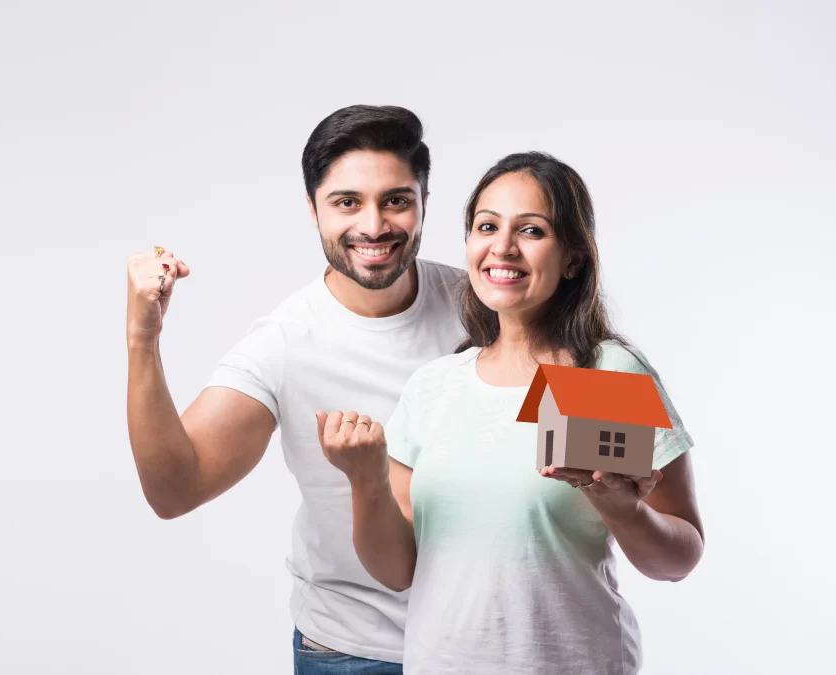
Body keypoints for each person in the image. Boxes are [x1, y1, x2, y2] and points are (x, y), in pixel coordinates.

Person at [318, 151, 706, 674]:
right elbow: (398, 570)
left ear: (573, 257)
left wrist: (622, 508)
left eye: (531, 230)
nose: (502, 247)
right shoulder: (436, 385)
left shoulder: (599, 374)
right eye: (486, 226)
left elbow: (677, 561)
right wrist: (366, 481)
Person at [124, 105, 468, 672]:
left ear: (424, 203)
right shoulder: (285, 344)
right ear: (312, 210)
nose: (374, 225)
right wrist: (143, 338)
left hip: (492, 643)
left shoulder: (483, 309)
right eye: (347, 202)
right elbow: (173, 491)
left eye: (396, 200)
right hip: (355, 651)